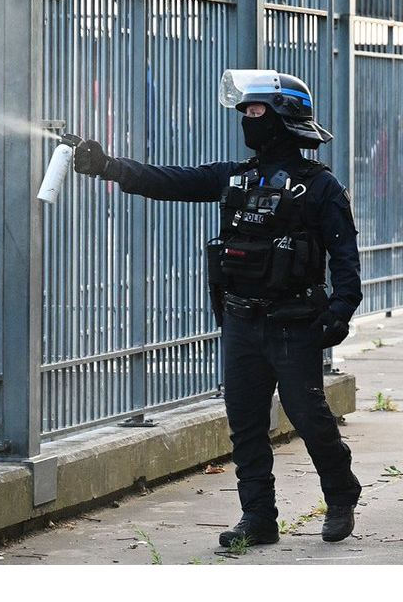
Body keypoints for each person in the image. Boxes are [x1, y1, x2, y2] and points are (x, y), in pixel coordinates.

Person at [71, 69, 362, 548]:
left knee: (308, 414)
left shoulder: (320, 186)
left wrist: (341, 309)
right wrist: (109, 166)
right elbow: (171, 181)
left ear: (283, 116)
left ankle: (340, 493)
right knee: (245, 422)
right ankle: (258, 517)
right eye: (244, 111)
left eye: (255, 111)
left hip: (292, 324)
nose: (247, 119)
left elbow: (344, 254)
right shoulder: (236, 177)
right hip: (241, 321)